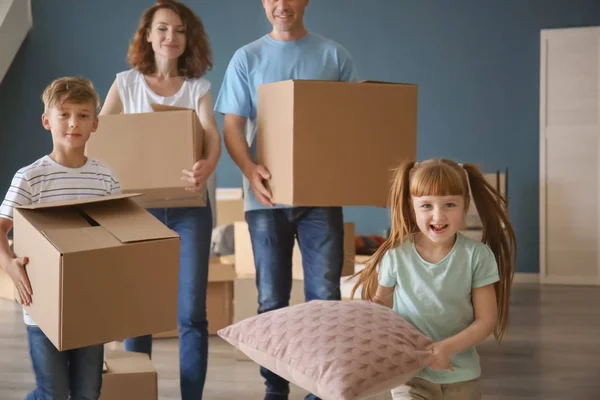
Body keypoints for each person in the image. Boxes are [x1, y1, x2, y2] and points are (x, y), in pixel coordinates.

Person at [214, 1, 359, 399]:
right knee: (271, 300)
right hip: (267, 199)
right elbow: (232, 125)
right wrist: (250, 171)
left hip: (322, 198)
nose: (282, 5)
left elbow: (356, 121)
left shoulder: (333, 56)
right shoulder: (248, 58)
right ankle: (275, 390)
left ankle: (320, 389)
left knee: (325, 299)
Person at [99, 1, 221, 398]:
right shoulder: (126, 83)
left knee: (191, 315)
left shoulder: (197, 88)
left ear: (189, 39)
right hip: (138, 211)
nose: (172, 37)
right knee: (140, 312)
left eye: (180, 30)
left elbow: (211, 134)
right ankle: (138, 393)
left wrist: (205, 164)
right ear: (148, 36)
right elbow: (102, 136)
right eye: (163, 29)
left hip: (191, 210)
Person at [351, 159, 517, 400]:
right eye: (426, 205)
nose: (438, 216)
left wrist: (446, 349)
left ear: (465, 206)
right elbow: (381, 306)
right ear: (411, 208)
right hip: (409, 375)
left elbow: (487, 320)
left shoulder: (477, 256)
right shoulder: (396, 255)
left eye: (449, 204)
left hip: (460, 377)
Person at [0, 76, 120, 399]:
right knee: (52, 392)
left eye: (82, 115)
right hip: (41, 305)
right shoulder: (30, 178)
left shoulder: (105, 178)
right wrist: (10, 265)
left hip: (90, 304)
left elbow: (119, 233)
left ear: (95, 123)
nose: (73, 124)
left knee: (87, 393)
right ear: (46, 121)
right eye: (64, 114)